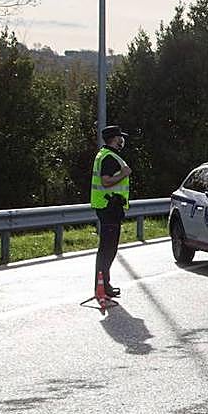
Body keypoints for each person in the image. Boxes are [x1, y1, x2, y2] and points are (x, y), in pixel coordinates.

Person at [90, 126, 132, 298]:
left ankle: (103, 285)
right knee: (108, 249)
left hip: (107, 206)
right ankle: (102, 287)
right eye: (120, 137)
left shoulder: (104, 154)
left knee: (106, 249)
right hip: (109, 207)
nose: (123, 140)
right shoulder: (109, 157)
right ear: (115, 139)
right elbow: (106, 181)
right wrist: (124, 173)